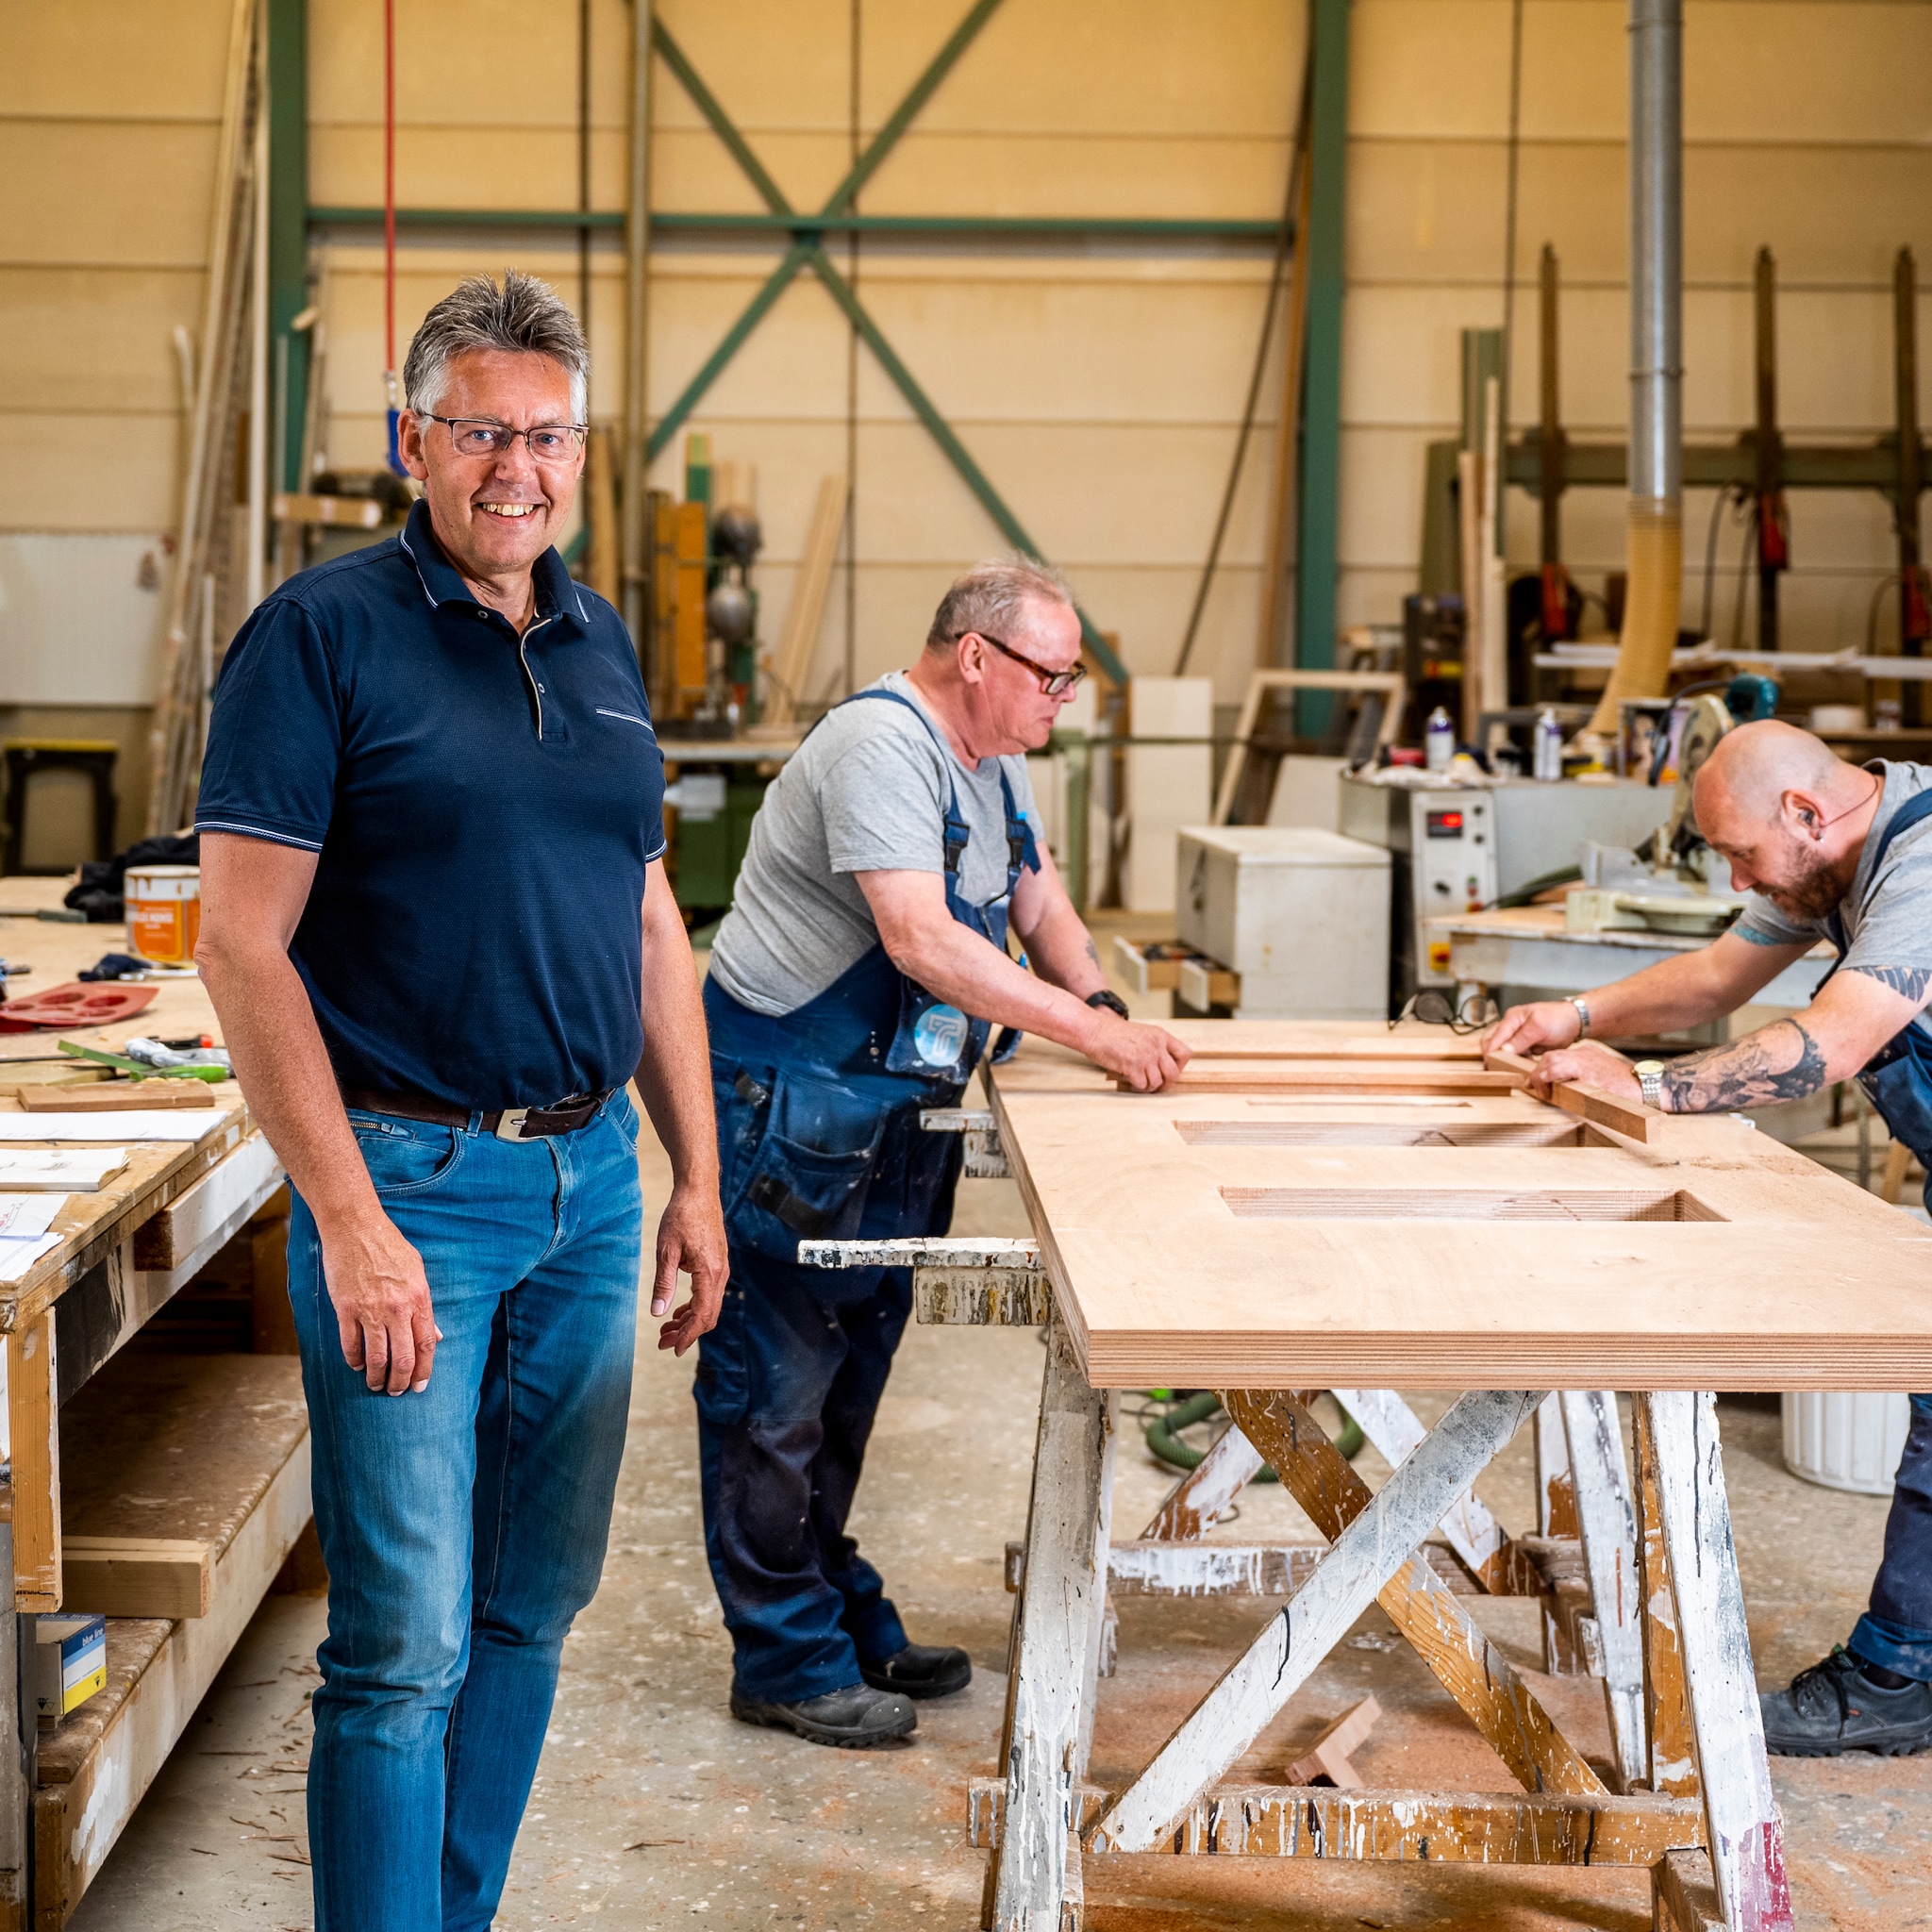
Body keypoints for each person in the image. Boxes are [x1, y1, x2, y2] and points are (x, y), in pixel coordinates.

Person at [194, 271, 728, 1929]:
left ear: (584, 447)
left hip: (590, 1188)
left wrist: (696, 1175)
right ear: (409, 438)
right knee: (401, 1636)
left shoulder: (598, 633)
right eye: (482, 429)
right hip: (410, 1185)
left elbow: (647, 918)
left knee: (533, 1604)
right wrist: (347, 1219)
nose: (519, 465)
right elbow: (239, 944)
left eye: (549, 432)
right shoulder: (319, 633)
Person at [696, 559, 1190, 1746]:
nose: (1060, 700)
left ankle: (830, 1603)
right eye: (1052, 676)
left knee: (850, 1379)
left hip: (890, 1107)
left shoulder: (994, 759)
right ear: (977, 657)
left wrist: (1105, 1006)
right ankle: (781, 1655)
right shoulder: (881, 746)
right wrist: (1082, 1036)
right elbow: (919, 939)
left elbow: (1037, 901)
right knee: (774, 1391)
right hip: (794, 1103)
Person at [1486, 717, 1932, 1757]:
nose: (1738, 878)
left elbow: (1824, 1043)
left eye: (1741, 854)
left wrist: (1641, 1087)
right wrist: (1576, 1014)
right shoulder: (1829, 860)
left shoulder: (1917, 868)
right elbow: (1715, 977)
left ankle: (1892, 1676)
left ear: (1804, 813)